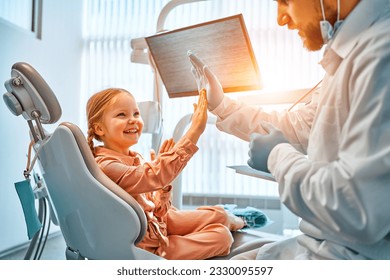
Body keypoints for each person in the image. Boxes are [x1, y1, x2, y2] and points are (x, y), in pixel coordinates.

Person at [189, 0, 390, 260]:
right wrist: (222, 105)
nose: (281, 19)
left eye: (286, 1)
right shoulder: (352, 53)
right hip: (326, 243)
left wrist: (277, 156)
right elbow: (300, 126)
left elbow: (359, 208)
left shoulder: (380, 55)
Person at [85, 87, 244, 260]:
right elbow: (152, 176)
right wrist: (194, 131)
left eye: (136, 113)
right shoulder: (105, 166)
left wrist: (162, 186)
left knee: (219, 214)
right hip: (148, 248)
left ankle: (238, 220)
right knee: (222, 236)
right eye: (122, 115)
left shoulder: (135, 157)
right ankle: (232, 223)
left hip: (159, 224)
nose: (133, 120)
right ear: (99, 128)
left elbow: (157, 209)